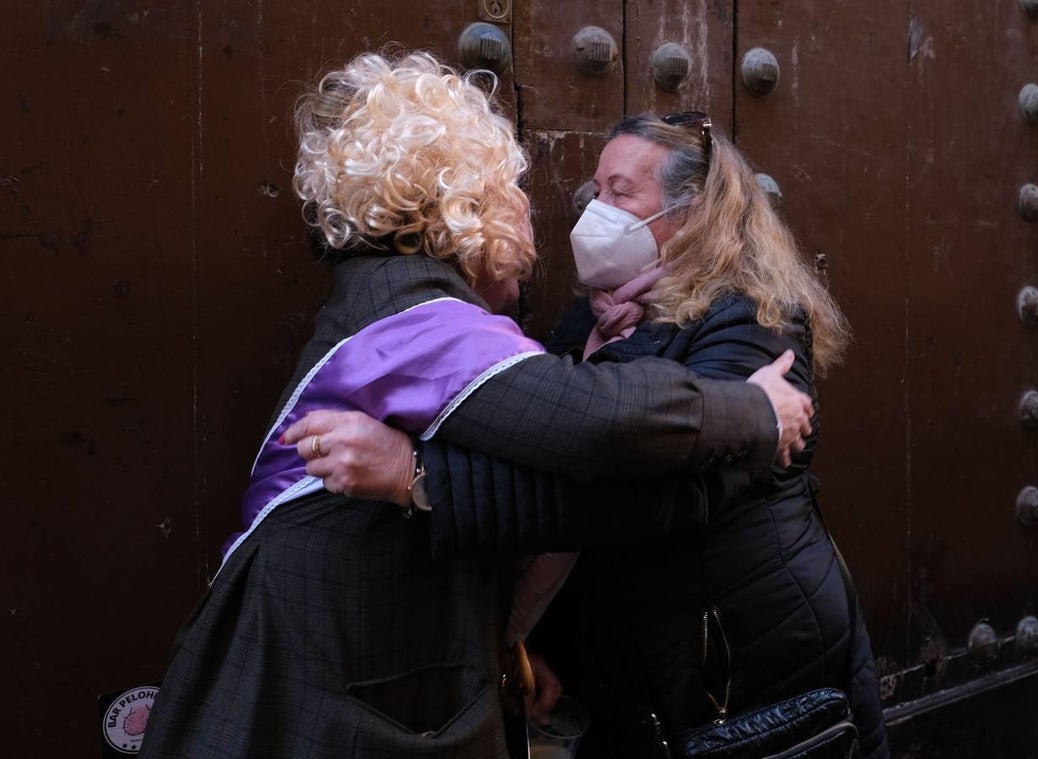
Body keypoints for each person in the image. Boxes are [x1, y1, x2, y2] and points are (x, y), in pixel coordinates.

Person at [139, 51, 811, 759]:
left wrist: (418, 480)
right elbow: (598, 420)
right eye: (510, 186)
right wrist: (756, 411)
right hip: (316, 664)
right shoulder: (415, 316)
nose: (538, 209)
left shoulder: (398, 299)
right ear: (462, 201)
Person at [303, 111, 890, 758]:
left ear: (692, 213)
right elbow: (547, 459)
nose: (597, 209)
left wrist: (418, 478)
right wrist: (533, 641)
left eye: (621, 191)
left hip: (745, 664)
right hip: (634, 676)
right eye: (598, 189)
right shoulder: (593, 320)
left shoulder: (753, 320)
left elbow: (642, 494)